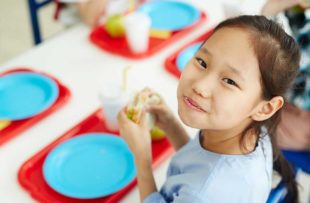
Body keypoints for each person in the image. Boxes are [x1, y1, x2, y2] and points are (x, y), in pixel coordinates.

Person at [117, 15, 300, 203]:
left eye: (229, 81)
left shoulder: (206, 193)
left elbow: (202, 184)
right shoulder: (249, 129)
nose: (200, 87)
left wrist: (142, 158)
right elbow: (199, 162)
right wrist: (171, 125)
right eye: (202, 63)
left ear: (265, 108)